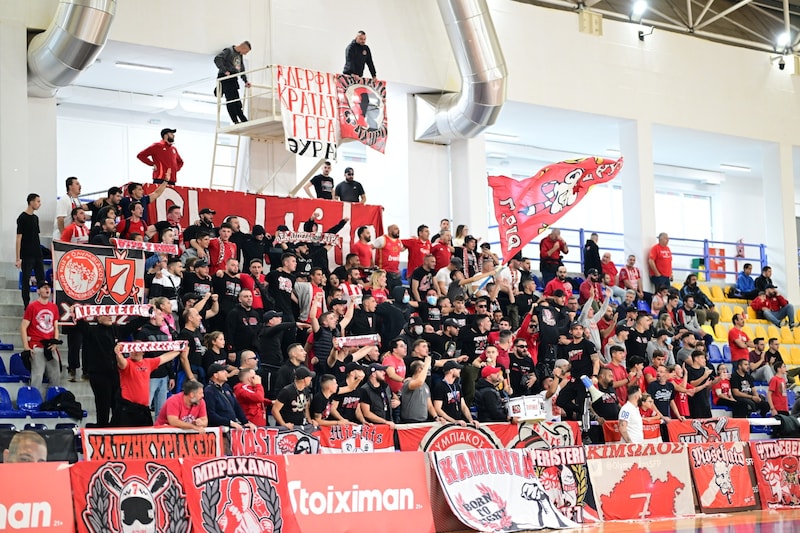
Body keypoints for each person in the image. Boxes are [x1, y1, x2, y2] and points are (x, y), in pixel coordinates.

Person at [113, 341, 186, 427]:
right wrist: (118, 353)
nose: (134, 352)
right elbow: (121, 362)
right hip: (128, 408)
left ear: (143, 351)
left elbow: (164, 358)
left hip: (144, 409)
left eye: (137, 350)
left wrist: (180, 349)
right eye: (132, 349)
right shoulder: (128, 363)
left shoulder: (148, 362)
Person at [20, 282, 61, 394]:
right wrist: (26, 347)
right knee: (37, 375)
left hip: (50, 346)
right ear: (38, 291)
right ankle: (34, 399)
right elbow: (23, 327)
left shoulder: (54, 307)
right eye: (44, 287)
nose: (47, 289)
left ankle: (53, 400)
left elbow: (56, 327)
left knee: (56, 375)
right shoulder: (32, 306)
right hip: (36, 345)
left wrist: (55, 342)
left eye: (49, 287)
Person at [205, 364, 257, 429]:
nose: (226, 373)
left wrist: (245, 422)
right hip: (219, 430)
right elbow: (211, 414)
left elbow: (236, 406)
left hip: (232, 428)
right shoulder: (209, 391)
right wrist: (229, 422)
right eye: (223, 371)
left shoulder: (226, 387)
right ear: (215, 375)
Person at [16, 193, 45, 308]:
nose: (39, 204)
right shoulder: (22, 217)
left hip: (37, 253)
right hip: (27, 255)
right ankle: (26, 305)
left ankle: (42, 303)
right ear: (31, 202)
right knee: (25, 280)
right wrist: (18, 258)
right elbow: (19, 238)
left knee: (41, 280)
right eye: (38, 201)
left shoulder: (35, 218)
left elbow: (36, 236)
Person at [214, 41, 252, 124]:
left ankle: (243, 119)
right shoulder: (229, 51)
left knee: (237, 101)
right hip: (226, 77)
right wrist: (225, 71)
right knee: (231, 100)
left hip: (233, 78)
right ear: (243, 48)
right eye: (246, 52)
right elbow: (217, 59)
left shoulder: (239, 55)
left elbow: (241, 69)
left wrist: (246, 81)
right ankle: (235, 120)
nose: (245, 54)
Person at [432, 361, 478, 426]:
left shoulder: (456, 386)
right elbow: (437, 408)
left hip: (458, 421)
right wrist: (454, 421)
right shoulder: (440, 386)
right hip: (446, 424)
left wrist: (471, 420)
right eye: (457, 369)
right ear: (451, 371)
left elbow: (463, 406)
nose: (460, 370)